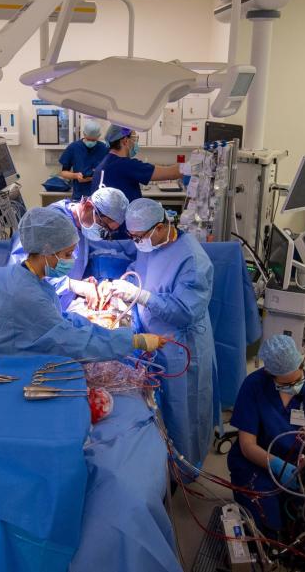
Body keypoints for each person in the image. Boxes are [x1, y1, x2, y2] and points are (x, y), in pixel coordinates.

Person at [102, 198, 216, 467]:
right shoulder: (151, 242)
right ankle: (163, 461)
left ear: (162, 227)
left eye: (140, 237)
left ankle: (187, 468)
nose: (137, 242)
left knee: (184, 411)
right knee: (159, 406)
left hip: (182, 346)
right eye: (132, 237)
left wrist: (141, 296)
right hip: (154, 336)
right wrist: (126, 284)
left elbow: (184, 311)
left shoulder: (193, 259)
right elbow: (141, 269)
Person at [0, 207, 166, 358]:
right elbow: (71, 341)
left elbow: (63, 320)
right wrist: (132, 341)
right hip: (8, 369)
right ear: (46, 250)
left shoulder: (30, 277)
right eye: (68, 254)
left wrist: (96, 328)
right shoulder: (27, 294)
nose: (71, 260)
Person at [226, 335, 305, 536]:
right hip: (256, 463)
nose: (294, 386)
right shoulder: (254, 386)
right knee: (267, 520)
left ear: (301, 363)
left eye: (297, 379)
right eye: (285, 383)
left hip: (298, 464)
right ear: (269, 373)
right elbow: (247, 445)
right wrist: (277, 466)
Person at [9, 186, 129, 310]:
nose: (103, 232)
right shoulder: (50, 223)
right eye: (104, 226)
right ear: (88, 207)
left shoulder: (81, 226)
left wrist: (81, 282)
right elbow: (22, 269)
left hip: (57, 307)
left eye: (109, 231)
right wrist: (70, 284)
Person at [90, 125, 184, 202]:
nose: (135, 143)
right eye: (134, 139)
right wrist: (193, 164)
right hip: (123, 223)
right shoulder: (126, 165)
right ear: (125, 141)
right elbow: (172, 173)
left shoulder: (104, 163)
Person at [58, 119, 109, 201]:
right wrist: (76, 175)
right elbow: (63, 173)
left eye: (93, 140)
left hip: (99, 197)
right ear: (84, 134)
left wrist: (93, 178)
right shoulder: (73, 148)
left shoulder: (103, 148)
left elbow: (108, 172)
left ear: (98, 137)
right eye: (88, 139)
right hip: (79, 197)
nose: (91, 142)